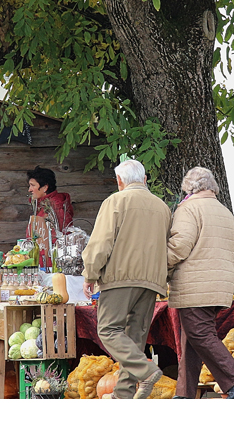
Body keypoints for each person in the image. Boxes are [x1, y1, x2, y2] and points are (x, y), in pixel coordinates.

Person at [81, 159, 171, 399]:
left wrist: (90, 274)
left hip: (120, 278)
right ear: (144, 179)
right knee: (135, 337)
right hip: (152, 281)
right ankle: (124, 394)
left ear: (119, 181)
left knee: (109, 330)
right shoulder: (162, 206)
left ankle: (147, 370)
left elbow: (100, 244)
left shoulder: (115, 201)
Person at [166, 167, 234, 399]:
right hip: (219, 286)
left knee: (200, 334)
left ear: (189, 188)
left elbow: (179, 247)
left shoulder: (189, 209)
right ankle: (184, 394)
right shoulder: (224, 211)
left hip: (196, 286)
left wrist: (159, 266)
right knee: (192, 340)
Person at [27, 166, 73, 233]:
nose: (29, 190)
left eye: (33, 185)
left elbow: (57, 237)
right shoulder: (41, 205)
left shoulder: (56, 207)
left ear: (45, 187)